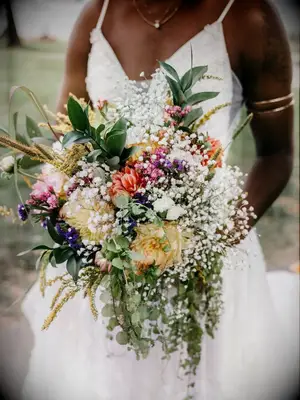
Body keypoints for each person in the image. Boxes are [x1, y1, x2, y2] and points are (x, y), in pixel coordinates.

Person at [22, 1, 299, 399]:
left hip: (209, 260)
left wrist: (209, 243)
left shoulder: (248, 16)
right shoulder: (95, 17)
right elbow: (63, 141)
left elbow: (276, 157)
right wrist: (84, 210)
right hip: (105, 263)